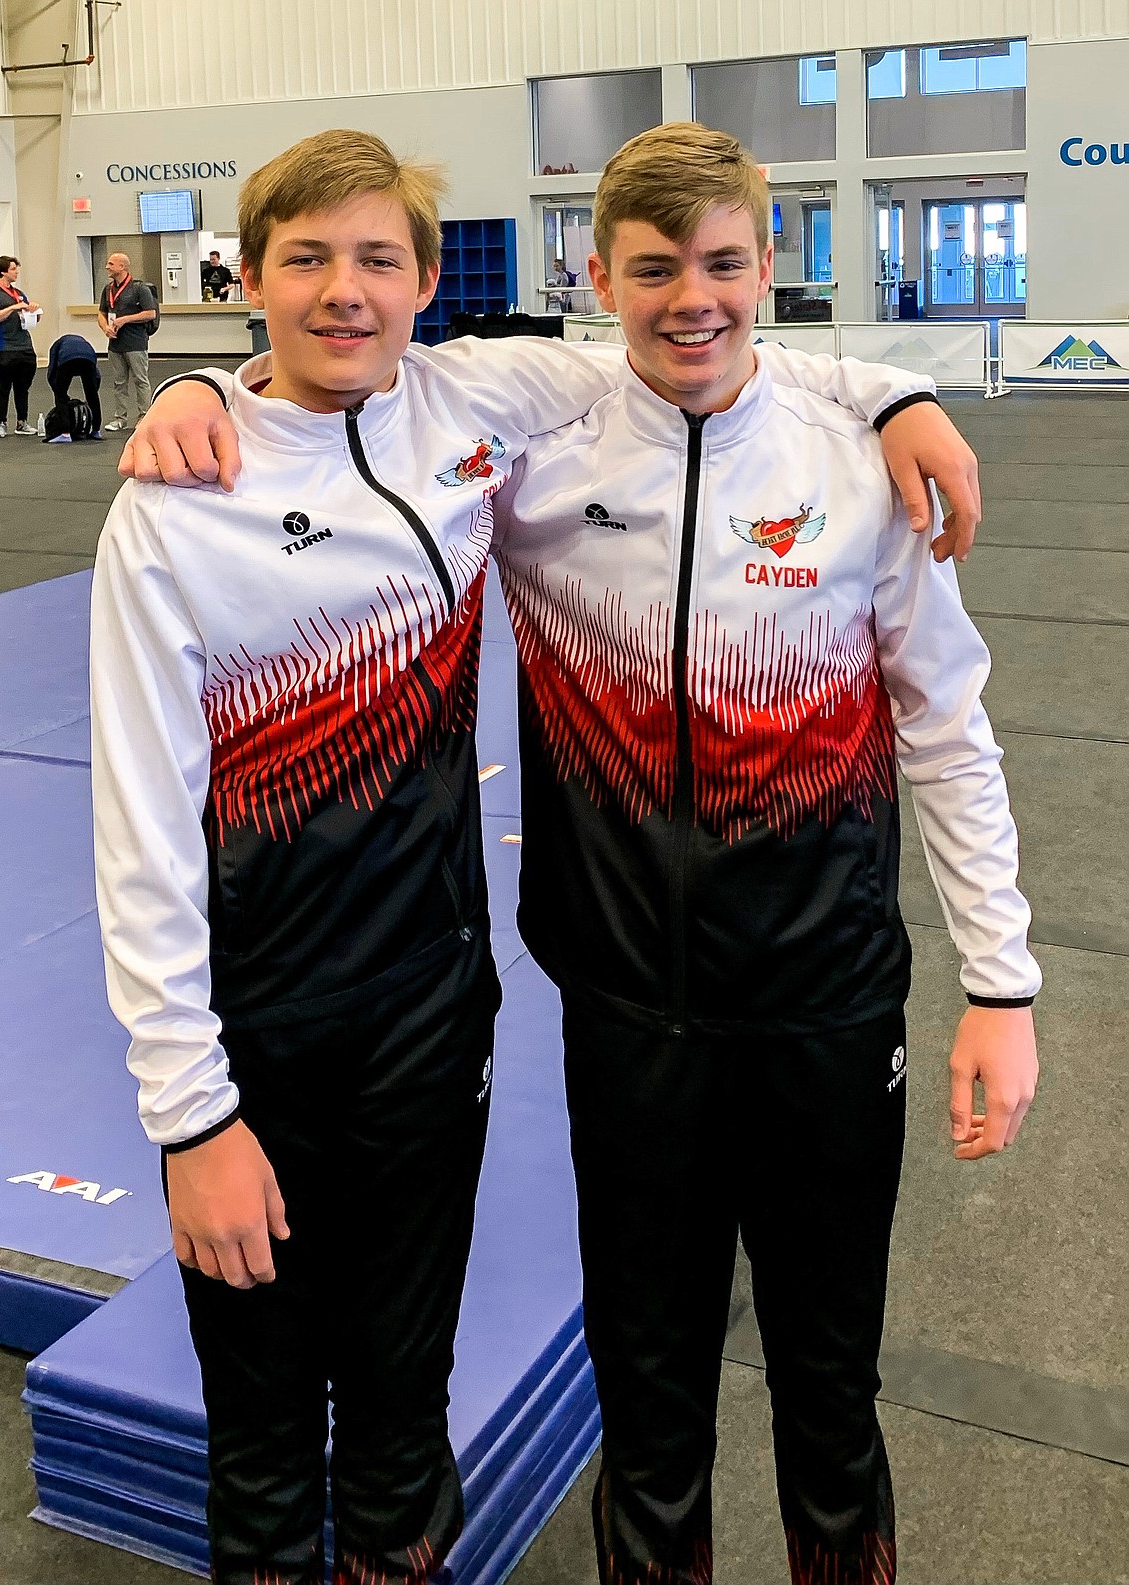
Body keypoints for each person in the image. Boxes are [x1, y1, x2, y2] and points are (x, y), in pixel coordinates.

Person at [110, 129, 987, 1585]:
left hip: (443, 1013)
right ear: (247, 278)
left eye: (378, 259)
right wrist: (186, 1110)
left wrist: (893, 391)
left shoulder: (472, 405)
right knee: (266, 1433)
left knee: (404, 1416)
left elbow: (702, 358)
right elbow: (137, 825)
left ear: (422, 282)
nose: (345, 291)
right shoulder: (181, 499)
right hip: (268, 1026)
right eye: (306, 260)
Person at [488, 123, 1040, 1585]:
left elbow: (945, 729)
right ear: (593, 274)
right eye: (655, 268)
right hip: (627, 1018)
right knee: (649, 1405)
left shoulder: (856, 466)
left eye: (724, 262)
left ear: (770, 265)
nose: (694, 299)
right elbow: (346, 396)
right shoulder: (532, 464)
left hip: (827, 1009)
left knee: (830, 1394)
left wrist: (1002, 982)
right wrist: (211, 395)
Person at [0, 255, 40, 437]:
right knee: (4, 385)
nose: (17, 272)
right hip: (5, 346)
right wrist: (12, 308)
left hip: (24, 345)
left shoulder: (19, 293)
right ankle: (1, 423)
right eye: (13, 269)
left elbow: (31, 319)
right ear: (3, 272)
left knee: (23, 386)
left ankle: (22, 422)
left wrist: (35, 312)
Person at [97, 252, 156, 431]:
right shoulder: (107, 289)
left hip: (135, 342)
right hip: (115, 343)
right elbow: (101, 313)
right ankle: (120, 418)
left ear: (122, 267)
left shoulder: (140, 288)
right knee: (119, 382)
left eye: (111, 264)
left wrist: (125, 319)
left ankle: (144, 416)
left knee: (140, 380)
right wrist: (105, 327)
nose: (107, 267)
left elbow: (150, 313)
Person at [42, 332, 102, 441]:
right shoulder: (84, 343)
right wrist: (91, 394)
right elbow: (97, 376)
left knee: (60, 396)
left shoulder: (55, 347)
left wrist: (60, 393)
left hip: (67, 359)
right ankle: (96, 431)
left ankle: (65, 434)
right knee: (93, 395)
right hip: (89, 358)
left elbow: (51, 372)